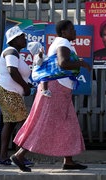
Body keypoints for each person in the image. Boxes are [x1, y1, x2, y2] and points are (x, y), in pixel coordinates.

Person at [9, 20, 91, 172]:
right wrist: (82, 64)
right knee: (45, 122)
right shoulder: (63, 43)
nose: (75, 32)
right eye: (72, 29)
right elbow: (63, 63)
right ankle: (19, 155)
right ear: (64, 32)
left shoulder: (62, 42)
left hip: (59, 89)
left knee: (68, 123)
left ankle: (69, 161)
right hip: (56, 89)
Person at [0, 26, 34, 167]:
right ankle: (19, 157)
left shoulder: (15, 53)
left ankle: (3, 158)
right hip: (8, 92)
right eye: (22, 37)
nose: (25, 39)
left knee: (10, 124)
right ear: (15, 40)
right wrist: (25, 87)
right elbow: (12, 71)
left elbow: (17, 72)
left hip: (8, 92)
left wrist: (28, 84)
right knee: (22, 123)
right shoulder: (11, 52)